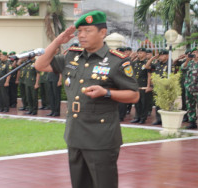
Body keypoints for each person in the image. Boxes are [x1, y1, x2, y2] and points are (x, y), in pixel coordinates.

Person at [35, 11, 139, 188]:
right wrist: (58, 41)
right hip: (75, 135)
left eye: (87, 31)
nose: (81, 35)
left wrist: (106, 92)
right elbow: (40, 64)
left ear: (102, 32)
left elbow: (134, 95)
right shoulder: (72, 56)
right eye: (79, 31)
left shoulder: (117, 61)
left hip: (101, 138)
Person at [145, 49, 173, 125]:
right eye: (160, 55)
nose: (160, 57)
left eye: (162, 55)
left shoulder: (170, 64)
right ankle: (159, 119)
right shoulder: (157, 64)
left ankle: (166, 120)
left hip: (165, 87)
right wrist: (152, 58)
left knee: (166, 104)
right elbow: (147, 66)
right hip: (157, 87)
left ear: (167, 56)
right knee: (158, 104)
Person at [181, 47, 198, 130]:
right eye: (194, 52)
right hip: (189, 88)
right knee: (190, 105)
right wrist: (187, 59)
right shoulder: (189, 62)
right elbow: (182, 68)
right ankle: (192, 122)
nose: (196, 54)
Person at [130, 48, 152, 124]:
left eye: (141, 53)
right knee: (137, 103)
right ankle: (137, 117)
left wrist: (148, 86)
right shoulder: (135, 62)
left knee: (144, 103)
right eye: (138, 53)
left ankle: (143, 118)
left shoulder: (147, 63)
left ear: (145, 54)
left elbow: (149, 75)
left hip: (144, 86)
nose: (139, 54)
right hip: (136, 85)